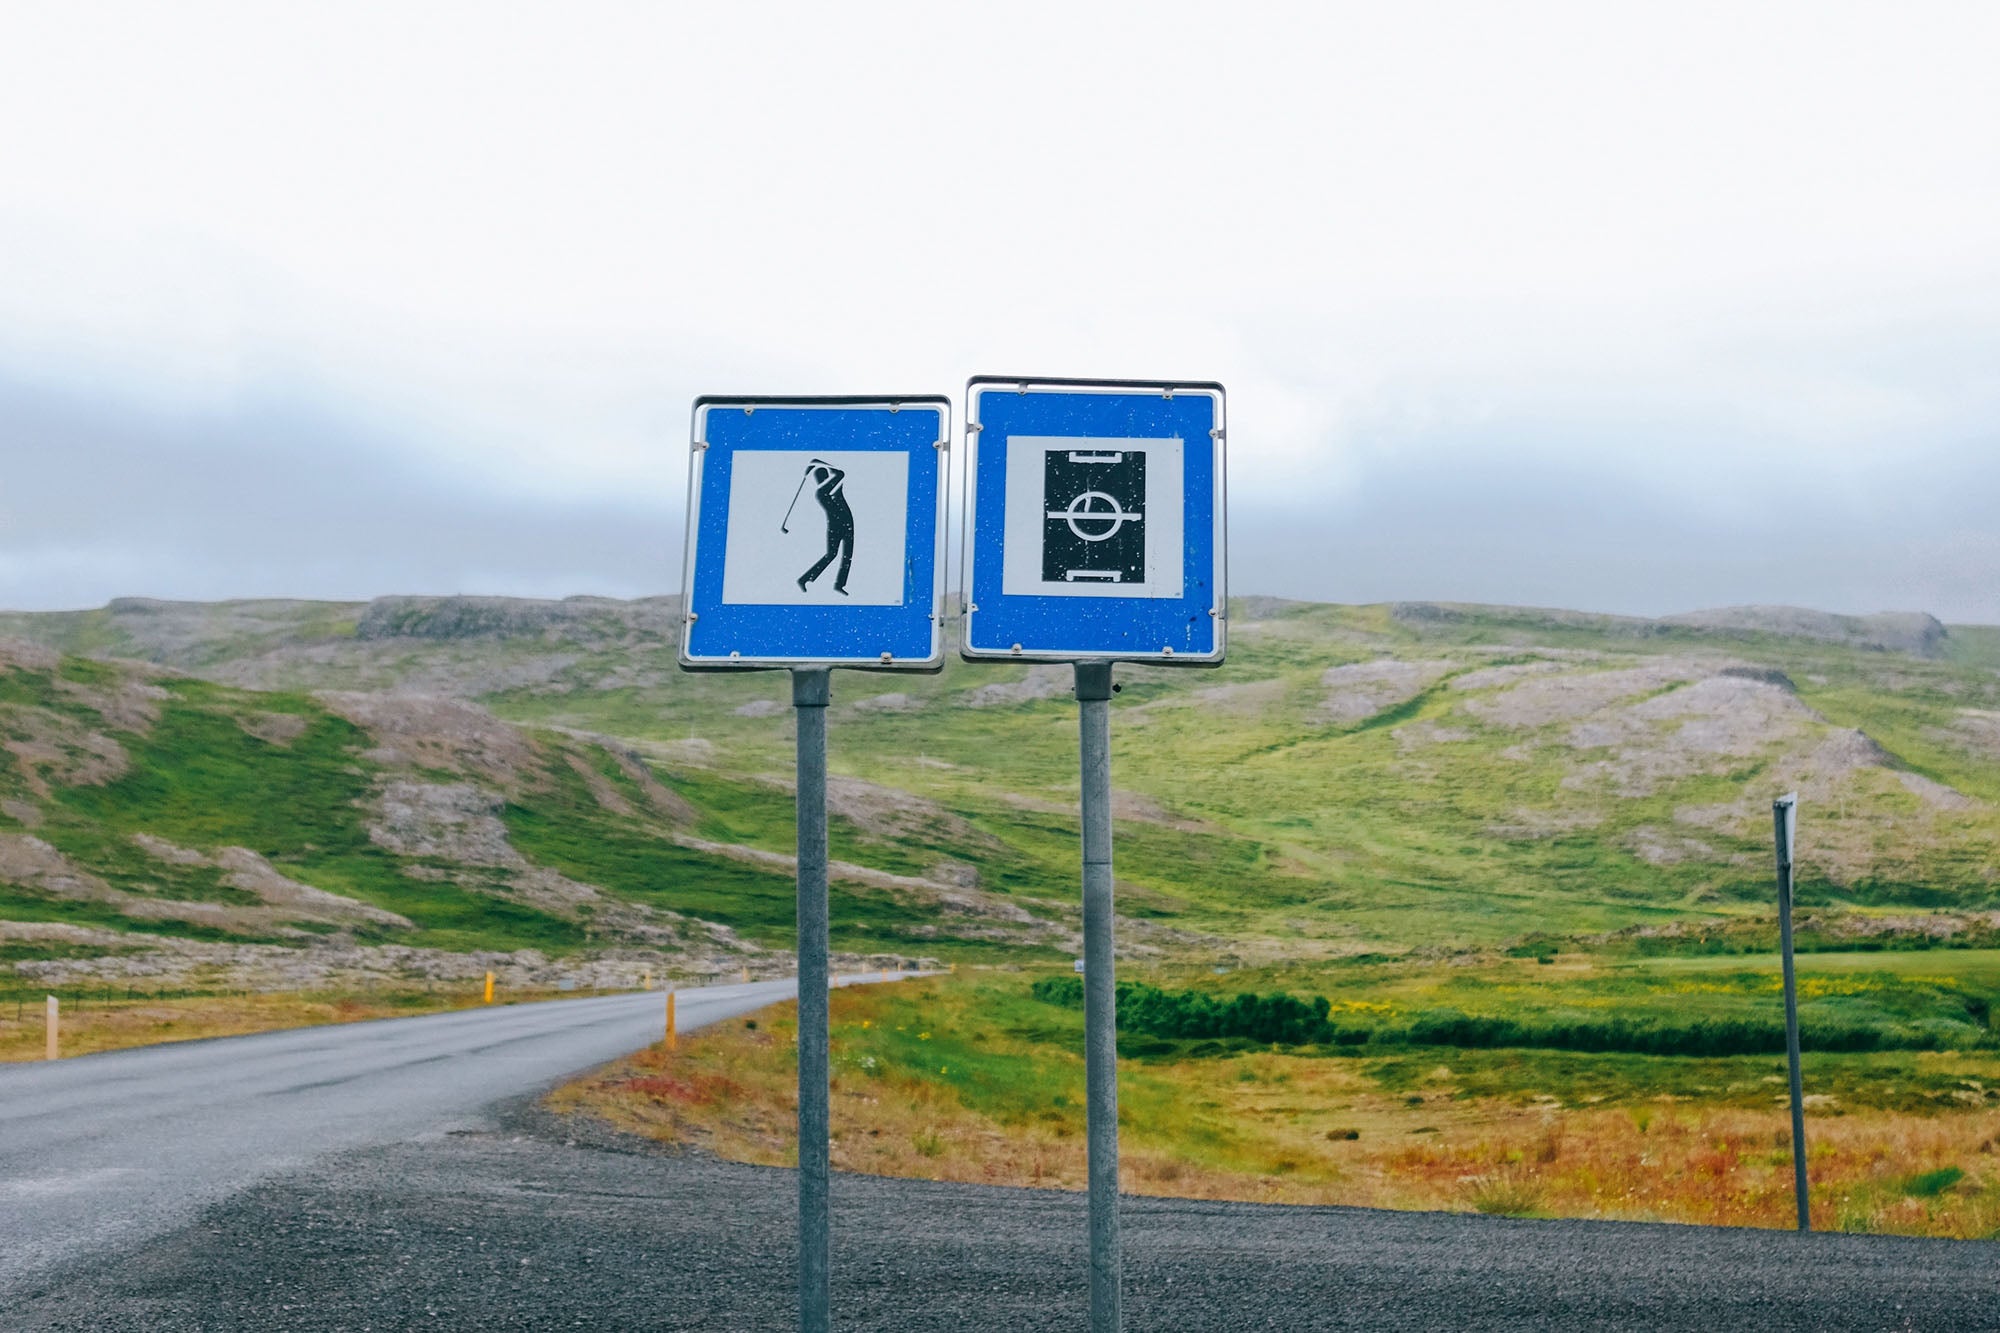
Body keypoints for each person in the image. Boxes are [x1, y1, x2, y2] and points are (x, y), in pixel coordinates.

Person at [796, 459, 853, 595]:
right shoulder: (822, 491)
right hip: (836, 526)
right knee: (832, 554)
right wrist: (816, 462)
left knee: (847, 556)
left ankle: (839, 585)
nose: (827, 477)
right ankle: (805, 579)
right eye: (825, 476)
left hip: (847, 523)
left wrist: (816, 463)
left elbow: (838, 473)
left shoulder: (834, 486)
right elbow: (840, 473)